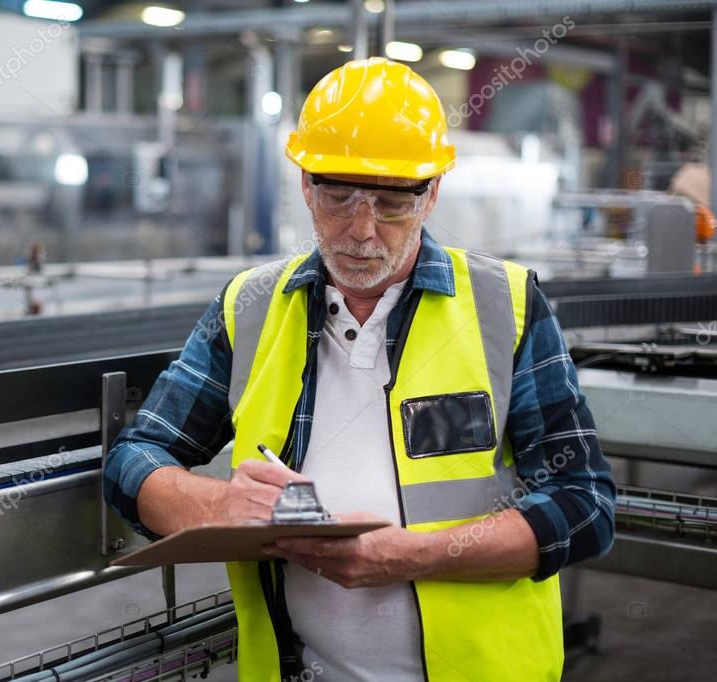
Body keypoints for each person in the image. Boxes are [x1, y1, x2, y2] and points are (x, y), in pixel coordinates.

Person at [103, 58, 615, 682]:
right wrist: (215, 506)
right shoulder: (251, 306)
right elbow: (135, 459)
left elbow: (585, 504)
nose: (362, 230)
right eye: (338, 196)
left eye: (393, 202)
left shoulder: (504, 306)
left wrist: (411, 556)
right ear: (303, 185)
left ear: (432, 194)